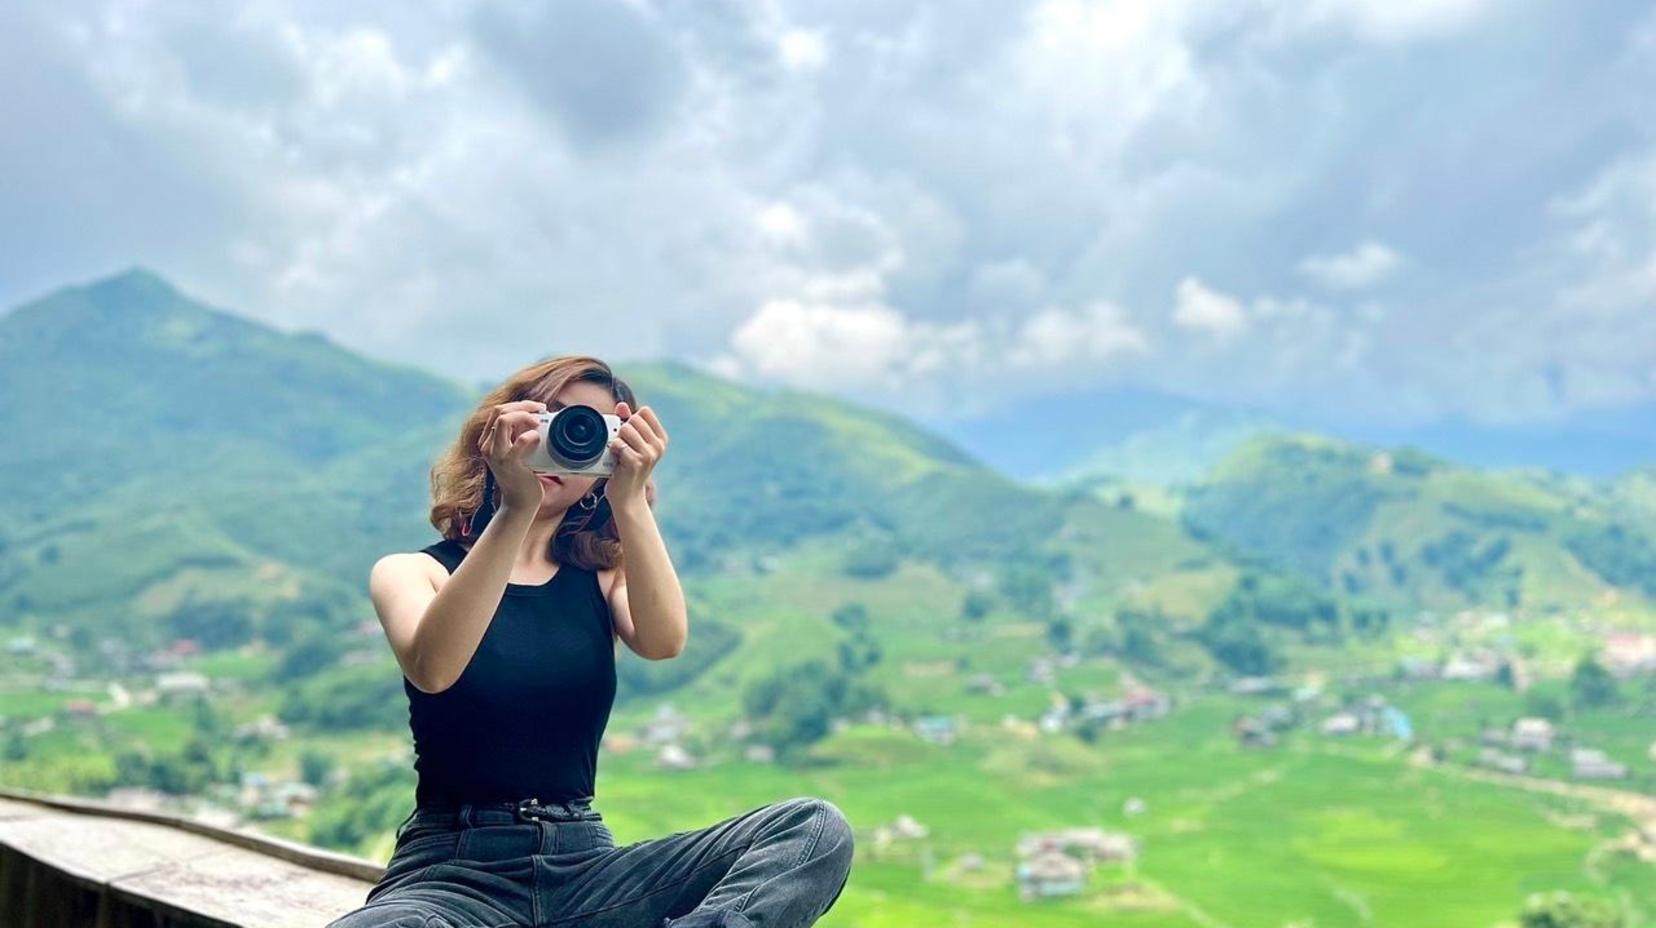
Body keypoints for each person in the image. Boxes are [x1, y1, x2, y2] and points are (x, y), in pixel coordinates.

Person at [327, 355, 854, 928]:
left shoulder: (603, 580)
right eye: (551, 418)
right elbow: (434, 668)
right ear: (499, 433)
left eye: (590, 430)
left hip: (585, 868)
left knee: (813, 830)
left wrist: (630, 498)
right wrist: (515, 507)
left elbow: (664, 640)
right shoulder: (411, 572)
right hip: (451, 874)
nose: (566, 437)